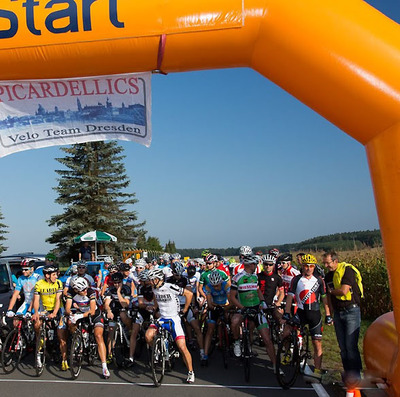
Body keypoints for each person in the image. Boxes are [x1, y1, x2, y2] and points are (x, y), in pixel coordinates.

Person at [282, 254, 332, 381]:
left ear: (314, 266)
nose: (308, 268)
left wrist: (328, 315)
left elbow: (324, 298)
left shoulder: (319, 280)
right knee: (286, 332)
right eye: (306, 266)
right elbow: (289, 296)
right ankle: (290, 352)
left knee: (317, 343)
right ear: (302, 267)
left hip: (314, 314)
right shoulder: (296, 279)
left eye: (311, 266)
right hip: (300, 313)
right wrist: (287, 313)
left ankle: (317, 370)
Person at [145, 267, 196, 384]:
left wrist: (185, 309)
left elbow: (189, 294)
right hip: (162, 318)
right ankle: (158, 351)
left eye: (152, 279)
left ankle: (190, 372)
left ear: (159, 279)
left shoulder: (170, 286)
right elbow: (156, 297)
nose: (151, 282)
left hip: (173, 319)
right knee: (148, 336)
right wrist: (154, 306)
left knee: (182, 347)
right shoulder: (154, 288)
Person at [229, 254, 278, 372]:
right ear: (251, 265)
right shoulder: (237, 278)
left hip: (256, 308)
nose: (257, 266)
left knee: (267, 339)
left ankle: (276, 365)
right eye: (255, 264)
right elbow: (232, 297)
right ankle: (236, 342)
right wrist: (241, 307)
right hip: (243, 308)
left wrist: (262, 302)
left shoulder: (255, 277)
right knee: (234, 321)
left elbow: (257, 290)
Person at [322, 251, 363, 384]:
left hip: (351, 310)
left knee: (351, 345)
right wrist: (330, 314)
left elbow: (344, 290)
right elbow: (329, 297)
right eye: (325, 263)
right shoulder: (328, 276)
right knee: (343, 347)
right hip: (339, 312)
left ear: (335, 261)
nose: (326, 265)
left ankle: (356, 375)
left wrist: (332, 291)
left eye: (328, 263)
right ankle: (348, 375)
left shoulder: (347, 270)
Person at [65, 276, 109, 378]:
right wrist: (71, 314)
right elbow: (67, 308)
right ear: (75, 289)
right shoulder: (71, 292)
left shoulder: (90, 292)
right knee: (70, 322)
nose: (85, 291)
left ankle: (104, 367)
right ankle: (77, 340)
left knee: (98, 336)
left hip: (94, 315)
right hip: (80, 313)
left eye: (85, 289)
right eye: (82, 290)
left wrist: (79, 315)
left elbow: (92, 311)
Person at [32, 264, 68, 371]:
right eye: (54, 274)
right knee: (37, 325)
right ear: (47, 275)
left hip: (58, 309)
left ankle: (64, 360)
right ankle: (38, 354)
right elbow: (36, 300)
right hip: (45, 309)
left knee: (61, 334)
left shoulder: (58, 283)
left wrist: (55, 313)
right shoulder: (39, 284)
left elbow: (58, 299)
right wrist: (36, 313)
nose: (56, 276)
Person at [6, 259, 41, 327]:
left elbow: (35, 296)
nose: (23, 271)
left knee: (37, 324)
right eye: (22, 269)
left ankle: (37, 337)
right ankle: (21, 335)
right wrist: (9, 309)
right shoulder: (21, 278)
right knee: (16, 320)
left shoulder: (38, 278)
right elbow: (15, 294)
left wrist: (29, 310)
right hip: (27, 302)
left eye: (26, 269)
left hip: (37, 303)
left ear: (32, 269)